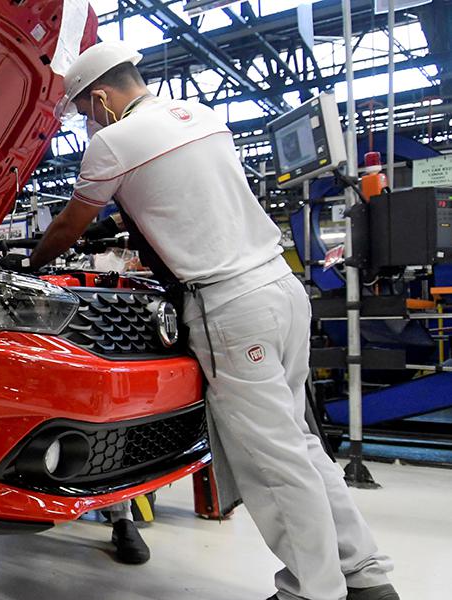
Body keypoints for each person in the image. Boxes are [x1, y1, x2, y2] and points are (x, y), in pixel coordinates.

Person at [30, 42, 397, 600]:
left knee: (270, 461)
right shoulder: (199, 114)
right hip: (280, 288)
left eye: (83, 112)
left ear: (100, 98)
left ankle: (312, 590)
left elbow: (67, 229)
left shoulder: (113, 141)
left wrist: (28, 262)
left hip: (230, 307)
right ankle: (364, 575)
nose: (86, 123)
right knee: (298, 442)